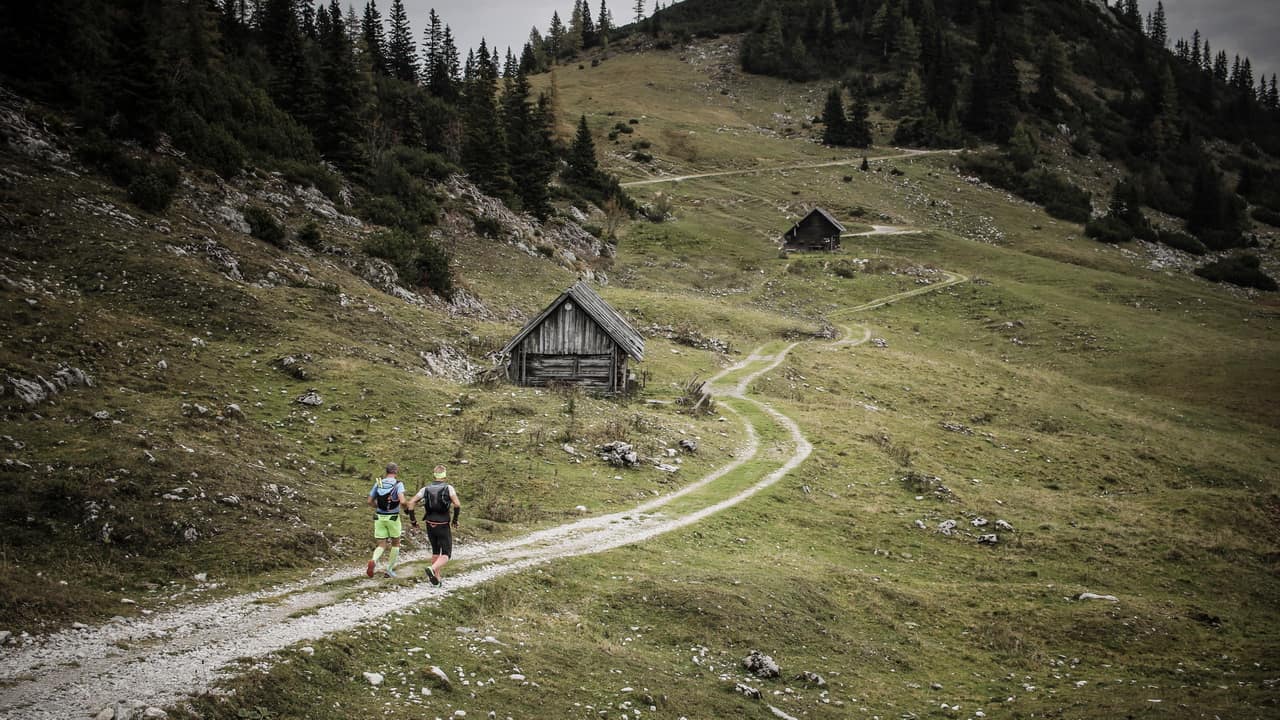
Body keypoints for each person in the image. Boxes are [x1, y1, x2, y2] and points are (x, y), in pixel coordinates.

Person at [407, 464, 460, 586]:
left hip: (429, 523)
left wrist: (413, 521)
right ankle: (432, 568)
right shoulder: (449, 488)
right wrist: (455, 520)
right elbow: (457, 504)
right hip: (443, 523)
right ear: (444, 475)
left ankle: (437, 580)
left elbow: (411, 503)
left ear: (434, 475)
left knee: (435, 551)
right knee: (446, 554)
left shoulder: (425, 489)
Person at [366, 462, 406, 578]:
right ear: (396, 471)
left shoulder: (378, 483)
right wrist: (406, 507)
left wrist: (377, 507)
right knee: (396, 543)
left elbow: (369, 501)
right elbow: (402, 501)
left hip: (379, 517)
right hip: (393, 517)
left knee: (381, 545)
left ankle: (374, 560)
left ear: (386, 471)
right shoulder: (398, 484)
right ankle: (389, 570)